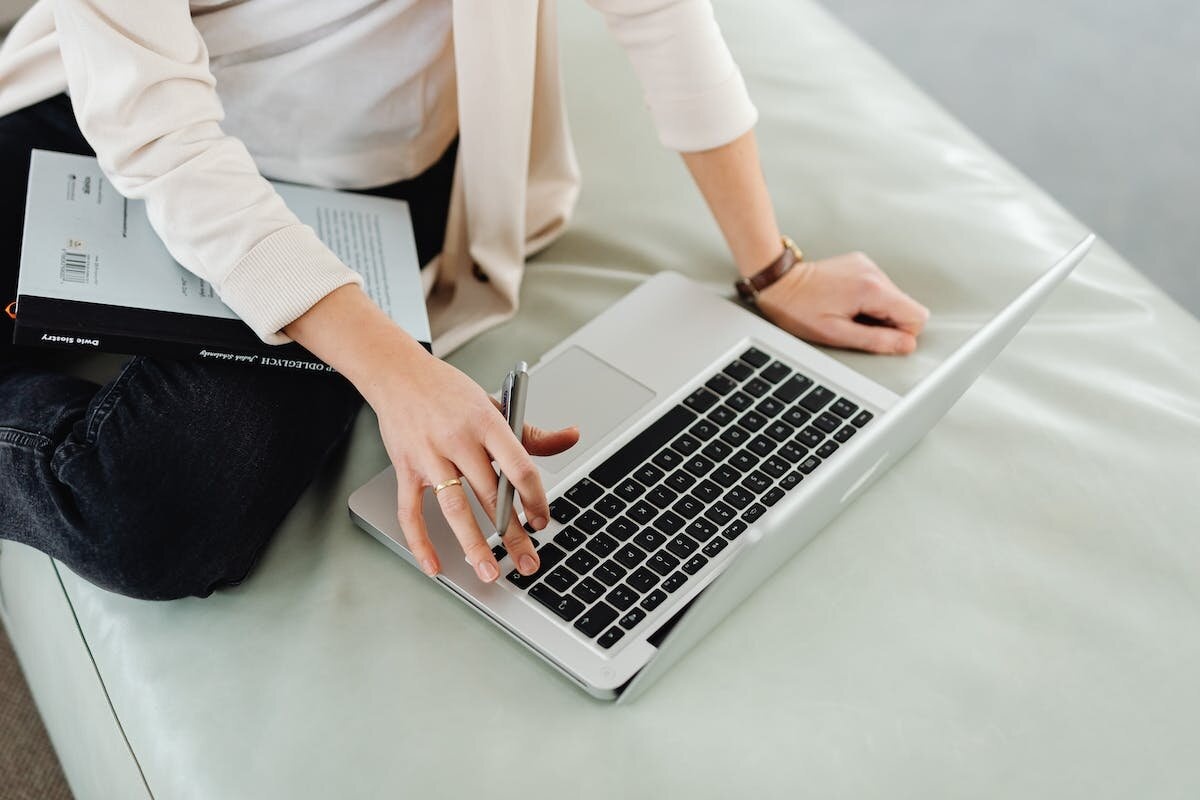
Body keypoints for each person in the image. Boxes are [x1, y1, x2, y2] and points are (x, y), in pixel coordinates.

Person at [0, 0, 928, 601]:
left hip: (350, 189)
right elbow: (160, 134)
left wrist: (774, 269)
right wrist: (397, 370)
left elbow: (659, 10)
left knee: (154, 512)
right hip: (107, 124)